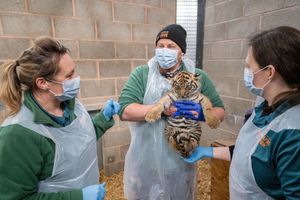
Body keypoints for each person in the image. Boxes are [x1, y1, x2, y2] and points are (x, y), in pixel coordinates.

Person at [184, 26, 300, 199]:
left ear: (269, 72)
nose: (245, 72)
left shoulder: (292, 134)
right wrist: (206, 151)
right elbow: (251, 153)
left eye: (248, 66)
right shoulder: (264, 104)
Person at [0, 36, 120, 200]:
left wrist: (102, 119)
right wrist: (79, 197)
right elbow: (17, 197)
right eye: (69, 75)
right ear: (43, 83)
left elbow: (76, 143)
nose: (76, 79)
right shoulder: (18, 134)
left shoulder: (69, 103)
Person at [118, 24, 225, 200]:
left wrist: (200, 112)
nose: (164, 50)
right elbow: (125, 111)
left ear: (181, 52)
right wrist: (161, 110)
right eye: (160, 46)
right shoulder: (142, 74)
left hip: (180, 163)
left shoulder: (197, 76)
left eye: (171, 46)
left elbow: (220, 111)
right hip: (145, 162)